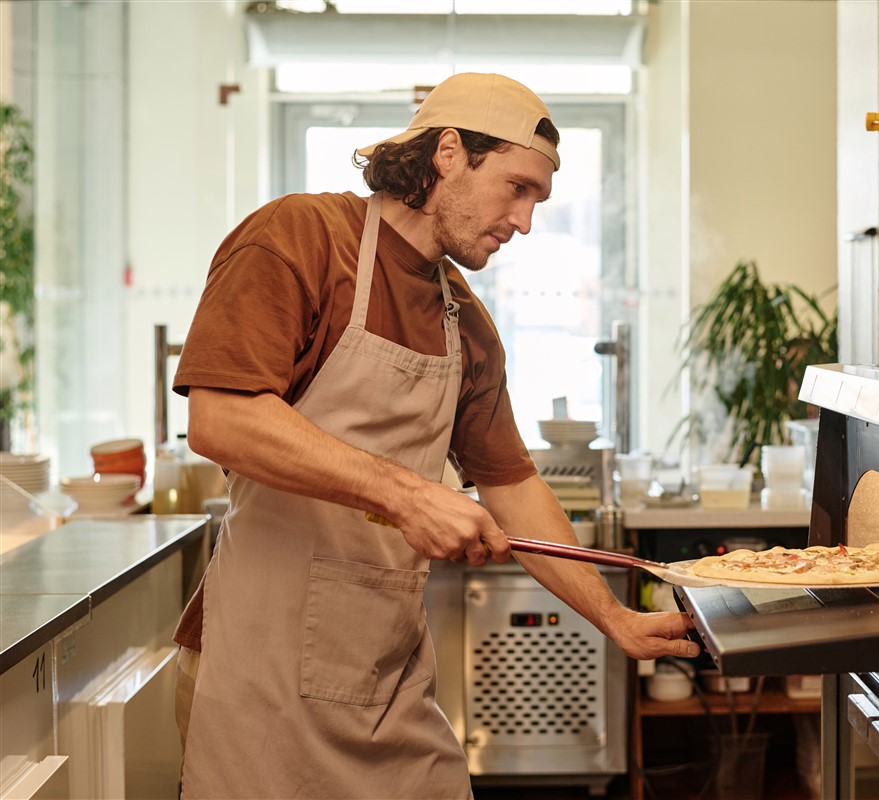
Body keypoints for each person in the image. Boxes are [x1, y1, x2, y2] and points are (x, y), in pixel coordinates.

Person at [170, 72, 700, 799]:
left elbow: (515, 488)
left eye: (538, 202)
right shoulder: (302, 237)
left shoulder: (467, 325)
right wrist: (407, 493)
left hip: (383, 674)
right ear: (448, 152)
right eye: (517, 189)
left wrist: (614, 618)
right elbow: (221, 416)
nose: (524, 222)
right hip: (257, 672)